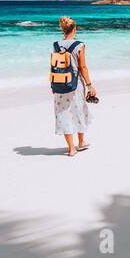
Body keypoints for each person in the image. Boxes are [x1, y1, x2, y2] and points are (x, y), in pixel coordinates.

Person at [52, 16, 96, 156]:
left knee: (64, 113)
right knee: (79, 111)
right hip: (75, 84)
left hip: (59, 83)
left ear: (63, 29)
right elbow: (82, 67)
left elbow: (55, 65)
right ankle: (81, 143)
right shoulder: (80, 45)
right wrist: (90, 86)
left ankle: (71, 148)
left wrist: (53, 84)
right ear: (74, 28)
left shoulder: (56, 45)